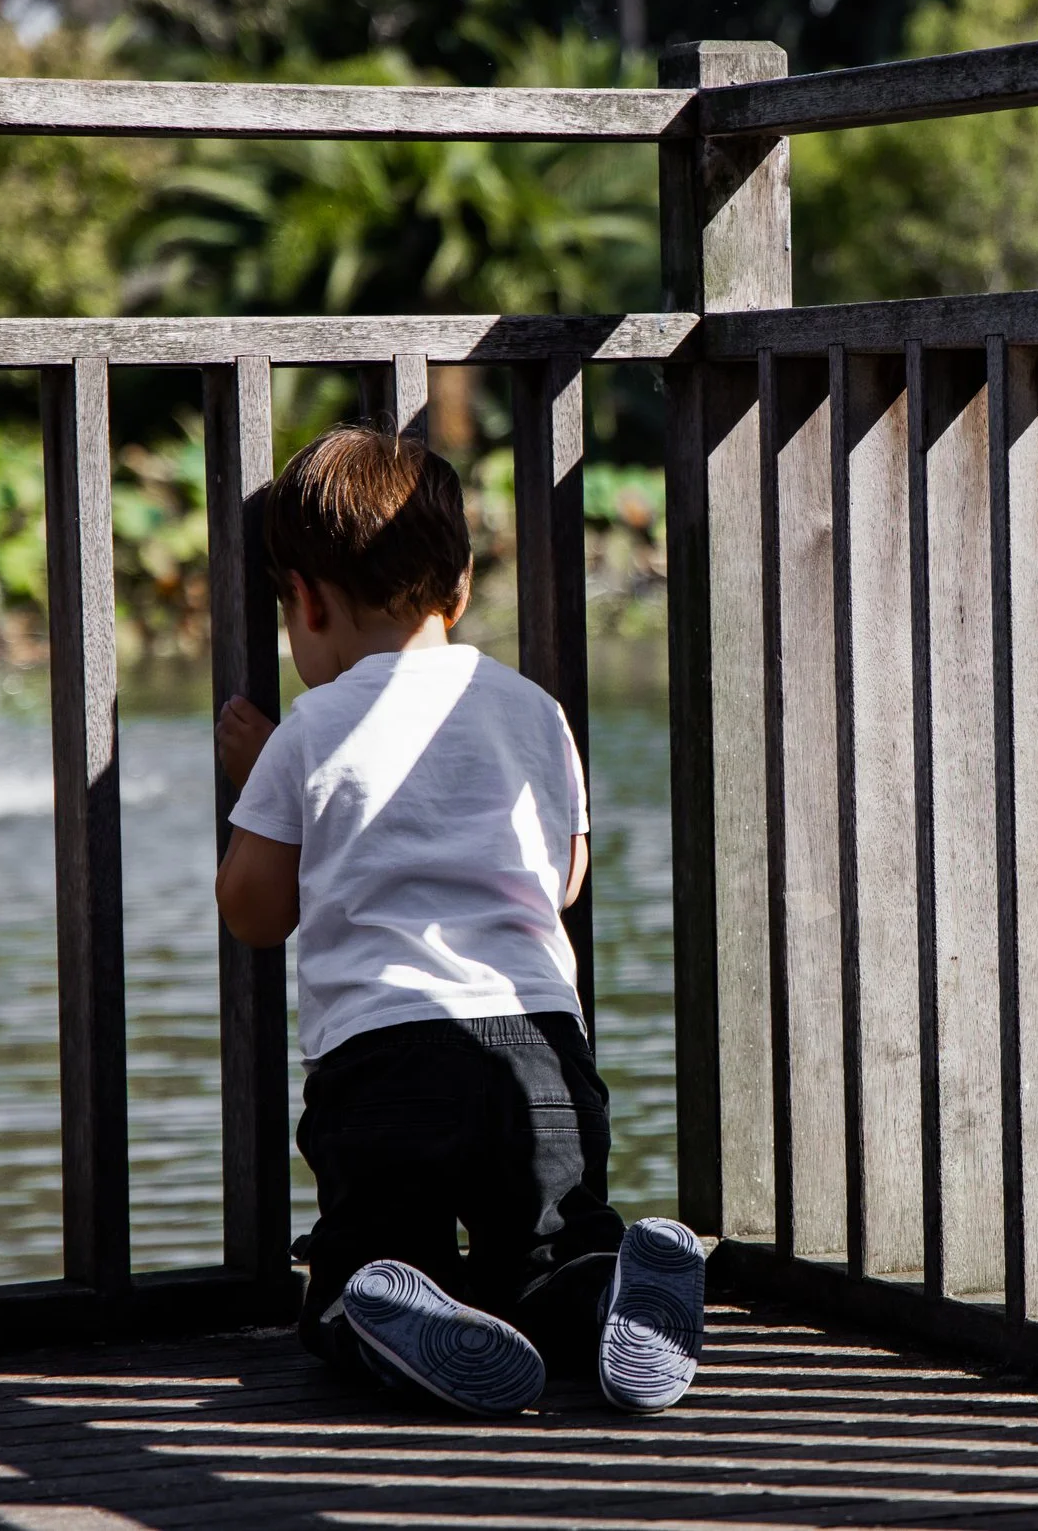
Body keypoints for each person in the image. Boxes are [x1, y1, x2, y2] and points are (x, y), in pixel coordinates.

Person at [213, 423, 704, 1417]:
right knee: (546, 1250)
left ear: (304, 601)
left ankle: (383, 1314)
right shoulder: (531, 710)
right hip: (541, 1043)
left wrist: (263, 782)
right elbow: (562, 877)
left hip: (386, 1060)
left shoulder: (307, 729)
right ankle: (604, 1287)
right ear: (462, 584)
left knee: (367, 1266)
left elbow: (254, 912)